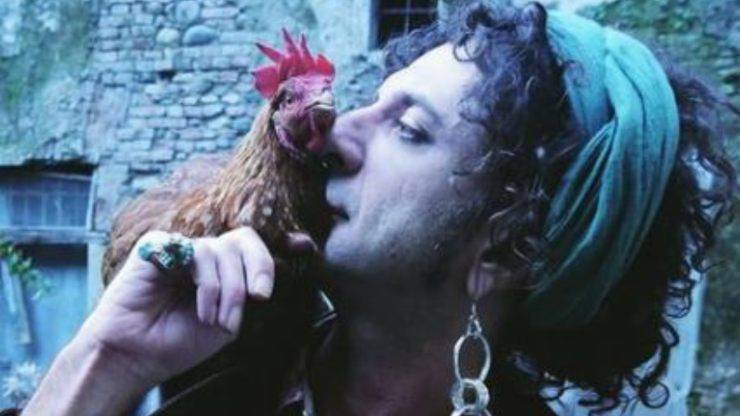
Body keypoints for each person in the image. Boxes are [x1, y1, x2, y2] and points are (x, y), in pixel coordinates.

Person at [8, 2, 736, 415]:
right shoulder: (221, 384)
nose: (336, 135)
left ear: (506, 249)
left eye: (409, 130)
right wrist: (107, 360)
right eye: (371, 103)